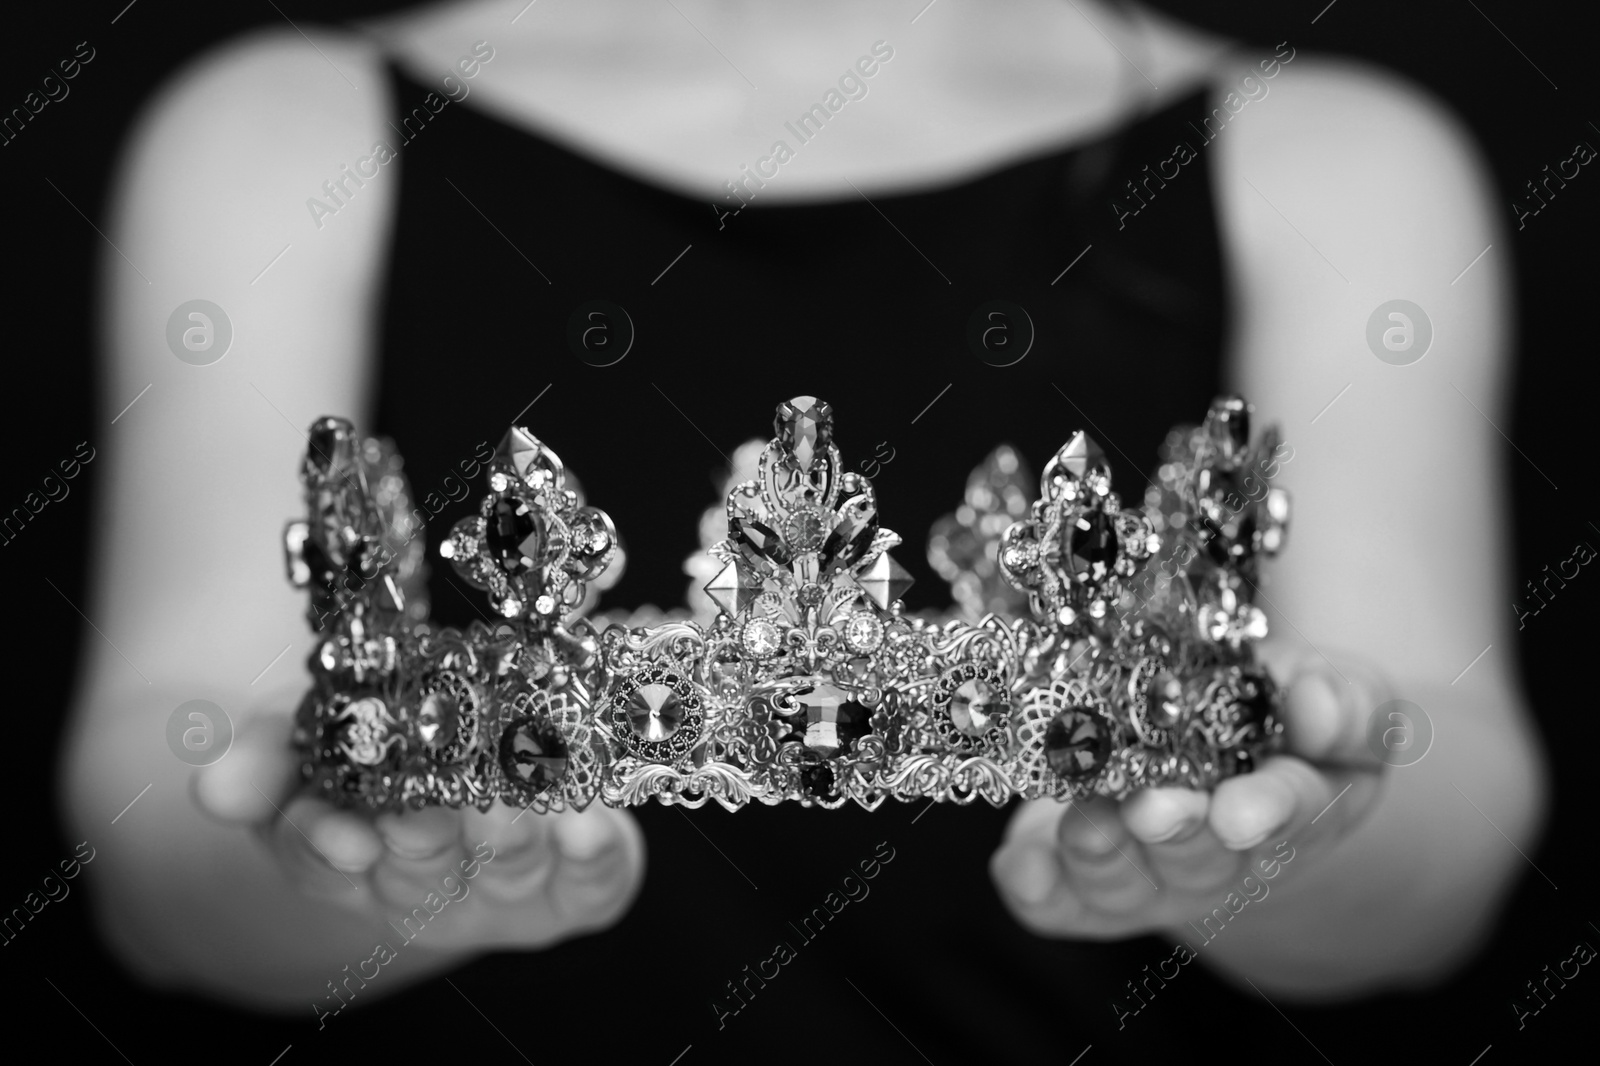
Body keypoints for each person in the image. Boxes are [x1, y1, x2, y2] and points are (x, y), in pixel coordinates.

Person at [62, 0, 1546, 1053]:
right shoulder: (275, 138)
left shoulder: (1341, 162)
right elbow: (150, 842)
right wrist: (340, 877)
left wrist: (1289, 853)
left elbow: (1451, 837)